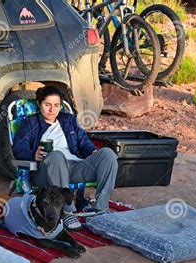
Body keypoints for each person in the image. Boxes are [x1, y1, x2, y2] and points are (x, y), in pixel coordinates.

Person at [12, 85, 118, 230]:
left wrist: (92, 152)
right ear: (39, 104)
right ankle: (68, 211)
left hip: (73, 167)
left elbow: (84, 142)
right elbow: (19, 147)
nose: (52, 109)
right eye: (47, 104)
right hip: (45, 170)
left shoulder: (68, 120)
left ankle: (100, 208)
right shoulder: (30, 123)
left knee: (108, 154)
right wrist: (33, 155)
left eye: (56, 105)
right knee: (56, 155)